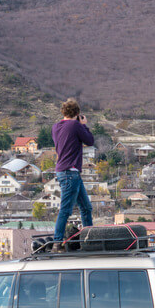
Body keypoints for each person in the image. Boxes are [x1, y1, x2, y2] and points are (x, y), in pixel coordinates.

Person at [51, 98, 95, 251]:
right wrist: (84, 125)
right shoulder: (76, 125)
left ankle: (90, 238)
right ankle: (57, 242)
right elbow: (89, 141)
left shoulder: (56, 127)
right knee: (66, 209)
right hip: (71, 171)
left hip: (64, 171)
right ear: (77, 114)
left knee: (86, 207)